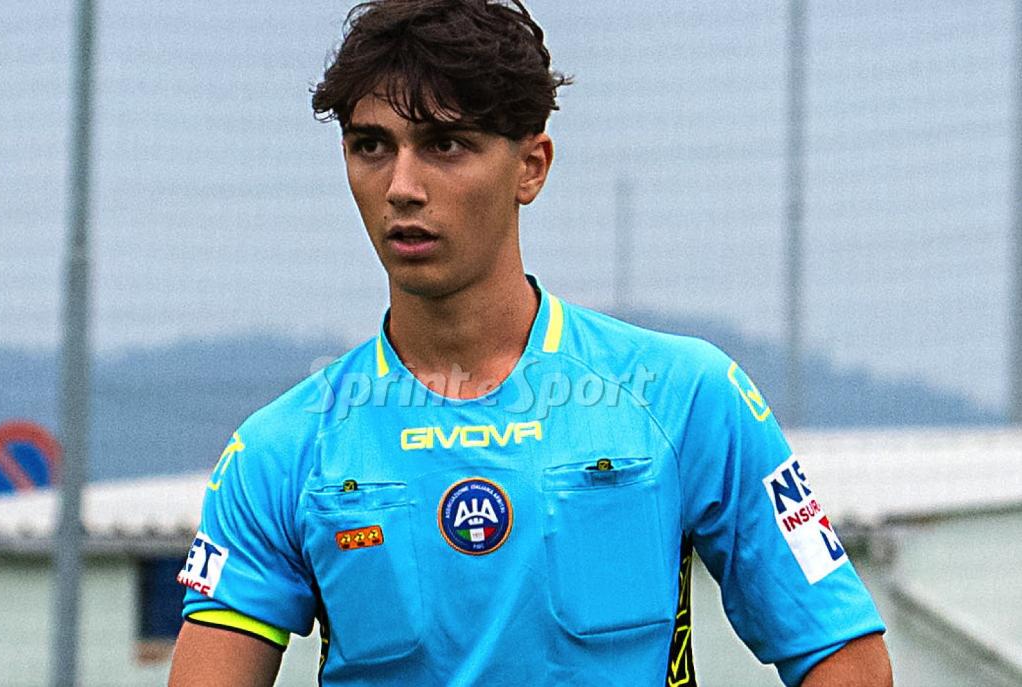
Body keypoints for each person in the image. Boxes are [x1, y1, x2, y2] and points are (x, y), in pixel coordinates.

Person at [168, 1, 893, 685]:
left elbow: (846, 657)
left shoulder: (686, 395)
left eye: (445, 143)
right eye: (371, 147)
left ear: (531, 166)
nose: (402, 186)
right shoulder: (281, 449)